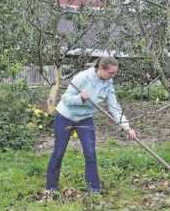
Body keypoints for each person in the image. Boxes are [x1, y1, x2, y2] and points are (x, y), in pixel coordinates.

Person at [45, 57, 136, 196]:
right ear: (101, 69)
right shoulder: (83, 78)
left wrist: (126, 127)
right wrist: (80, 98)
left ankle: (94, 190)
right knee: (58, 152)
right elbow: (65, 99)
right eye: (111, 73)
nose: (113, 76)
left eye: (115, 73)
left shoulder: (108, 82)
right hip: (65, 116)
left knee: (90, 153)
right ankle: (51, 189)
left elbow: (114, 107)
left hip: (85, 119)